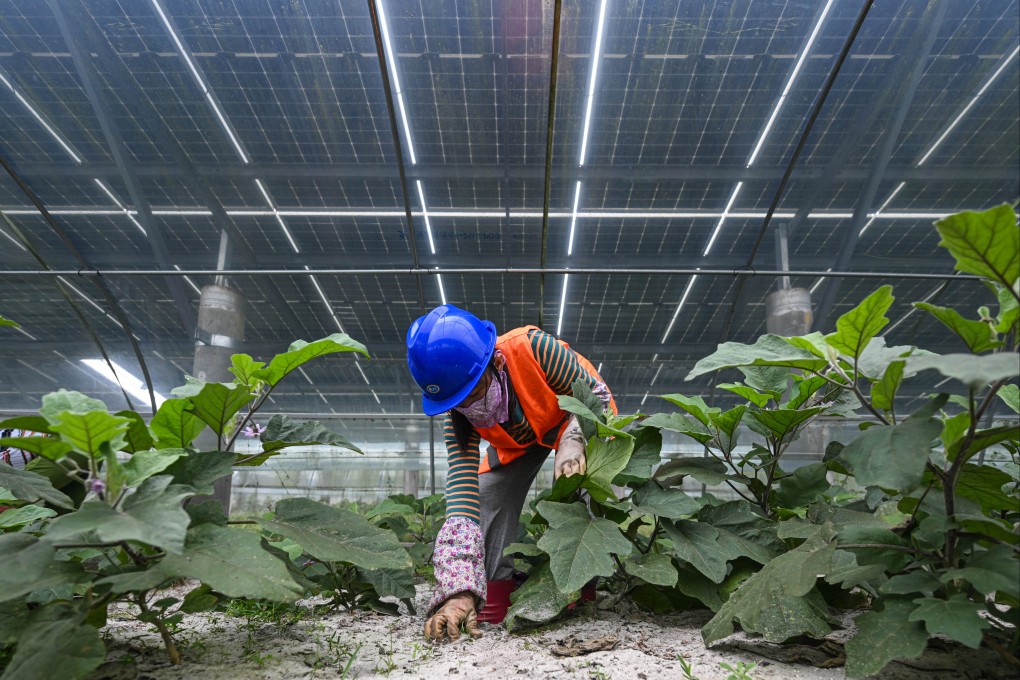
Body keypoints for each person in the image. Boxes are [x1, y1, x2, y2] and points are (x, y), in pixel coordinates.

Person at [405, 304, 616, 641]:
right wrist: (457, 591)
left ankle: (582, 588)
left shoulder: (533, 349)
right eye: (459, 403)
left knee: (585, 486)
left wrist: (574, 440)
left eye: (474, 392)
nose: (471, 408)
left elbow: (597, 397)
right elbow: (462, 504)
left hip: (577, 418)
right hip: (521, 440)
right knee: (488, 493)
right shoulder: (459, 417)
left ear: (496, 363)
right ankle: (493, 591)